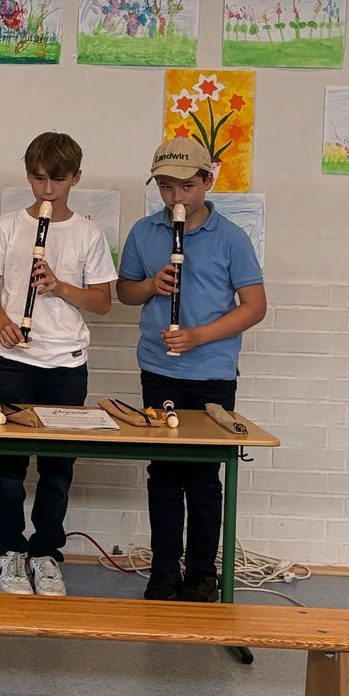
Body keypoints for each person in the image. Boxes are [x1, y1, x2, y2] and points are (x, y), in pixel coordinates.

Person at [116, 139, 267, 602]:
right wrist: (151, 285)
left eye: (186, 187)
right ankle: (164, 569)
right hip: (159, 368)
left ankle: (202, 572)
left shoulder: (231, 238)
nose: (176, 198)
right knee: (164, 473)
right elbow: (125, 292)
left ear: (207, 181)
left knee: (203, 478)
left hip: (211, 372)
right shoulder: (145, 231)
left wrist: (199, 336)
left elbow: (255, 306)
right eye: (166, 188)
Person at [0, 132, 115, 596]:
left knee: (57, 467)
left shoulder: (88, 233)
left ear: (76, 178)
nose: (47, 190)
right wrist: (3, 323)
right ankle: (9, 551)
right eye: (38, 179)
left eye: (57, 180)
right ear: (28, 177)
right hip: (11, 360)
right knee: (9, 465)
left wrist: (59, 287)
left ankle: (47, 553)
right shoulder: (9, 226)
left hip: (66, 365)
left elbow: (102, 302)